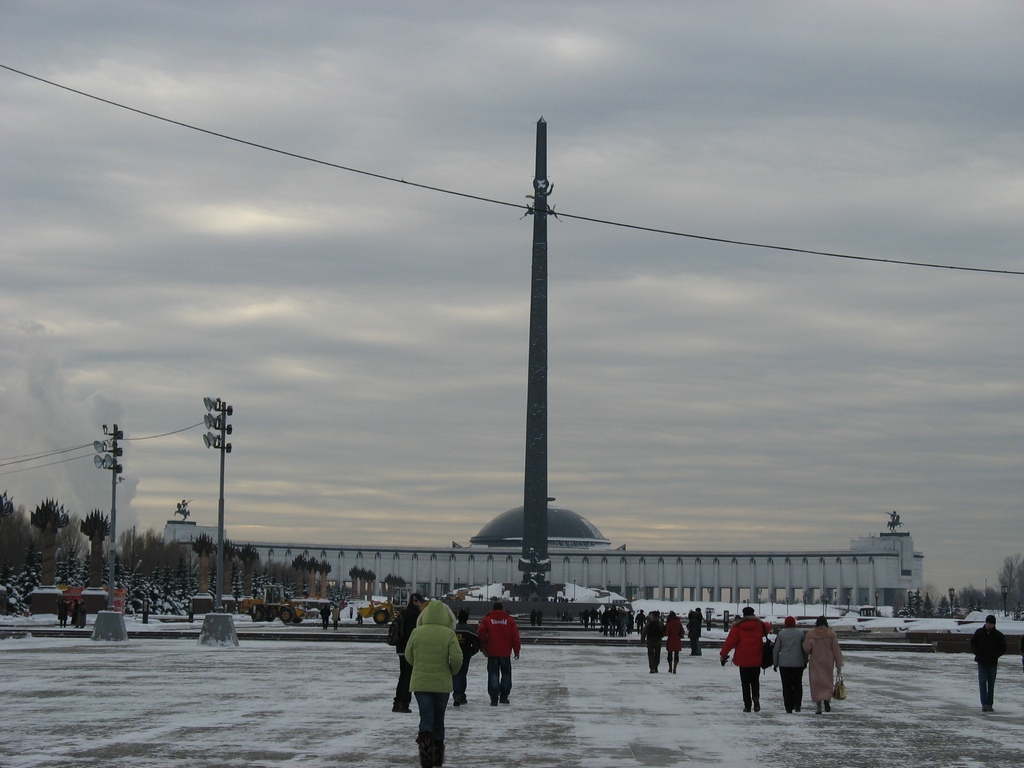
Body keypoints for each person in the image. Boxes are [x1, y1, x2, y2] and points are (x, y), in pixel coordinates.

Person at [405, 599, 462, 768]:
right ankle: (437, 757)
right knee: (439, 719)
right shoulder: (449, 633)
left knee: (426, 718)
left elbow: (408, 655)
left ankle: (425, 756)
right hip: (442, 684)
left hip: (421, 684)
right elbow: (457, 658)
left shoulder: (417, 632)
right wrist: (451, 671)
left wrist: (418, 665)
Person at [720, 606, 770, 712]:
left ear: (743, 615)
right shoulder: (759, 625)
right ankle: (756, 699)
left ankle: (747, 705)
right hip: (756, 659)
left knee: (745, 683)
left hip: (743, 660)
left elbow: (729, 642)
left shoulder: (737, 627)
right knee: (755, 681)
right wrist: (757, 620)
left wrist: (723, 654)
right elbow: (768, 626)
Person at [477, 601, 521, 705]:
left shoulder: (487, 620)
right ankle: (504, 697)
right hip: (505, 652)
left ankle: (494, 698)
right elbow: (515, 637)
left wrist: (483, 647)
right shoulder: (509, 620)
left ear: (493, 609)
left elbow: (481, 633)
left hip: (492, 651)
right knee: (506, 675)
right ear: (502, 609)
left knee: (493, 674)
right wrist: (516, 651)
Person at [391, 593, 426, 713]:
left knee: (403, 676)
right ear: (415, 601)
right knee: (408, 677)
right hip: (408, 649)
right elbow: (412, 634)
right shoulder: (415, 615)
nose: (422, 604)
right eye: (420, 602)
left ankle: (397, 703)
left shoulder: (404, 612)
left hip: (401, 648)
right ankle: (404, 704)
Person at [802, 616, 843, 714]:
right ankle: (827, 699)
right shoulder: (831, 634)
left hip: (815, 662)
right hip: (828, 662)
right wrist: (839, 663)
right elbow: (836, 650)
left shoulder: (811, 634)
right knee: (827, 681)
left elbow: (807, 649)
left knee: (816, 683)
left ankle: (819, 707)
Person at [969, 614, 1006, 712]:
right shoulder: (979, 632)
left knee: (991, 683)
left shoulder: (998, 635)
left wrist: (995, 655)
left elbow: (1003, 648)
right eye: (987, 623)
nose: (988, 625)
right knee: (982, 682)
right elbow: (973, 643)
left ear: (994, 624)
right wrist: (976, 652)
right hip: (981, 661)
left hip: (992, 662)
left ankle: (989, 703)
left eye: (990, 623)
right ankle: (984, 703)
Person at [772, 616, 807, 713]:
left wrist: (775, 663)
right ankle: (797, 704)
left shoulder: (781, 634)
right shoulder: (800, 634)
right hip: (798, 663)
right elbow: (804, 649)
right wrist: (805, 661)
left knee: (786, 685)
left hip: (784, 664)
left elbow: (776, 650)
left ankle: (788, 706)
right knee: (797, 684)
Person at [452, 609, 480, 707]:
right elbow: (477, 643)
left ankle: (457, 695)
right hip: (466, 656)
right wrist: (472, 652)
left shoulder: (453, 629)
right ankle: (461, 696)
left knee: (456, 675)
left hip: (454, 655)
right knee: (463, 675)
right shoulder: (470, 630)